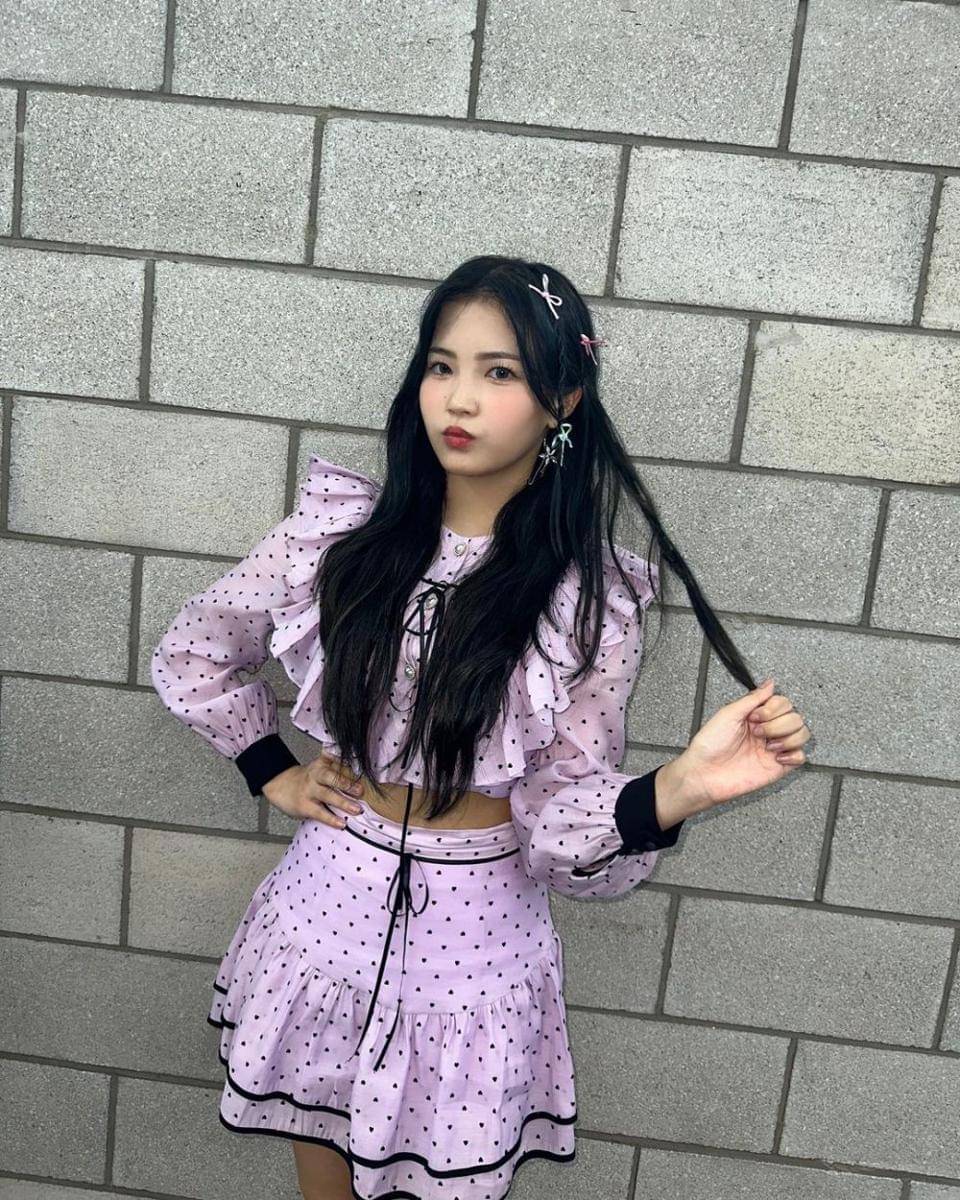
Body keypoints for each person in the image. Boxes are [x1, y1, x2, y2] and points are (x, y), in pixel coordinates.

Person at [150, 255, 811, 1200]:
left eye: (499, 372)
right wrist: (273, 771)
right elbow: (196, 651)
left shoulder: (591, 597)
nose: (459, 398)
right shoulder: (336, 537)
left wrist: (678, 790)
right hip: (322, 922)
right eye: (441, 365)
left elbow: (558, 826)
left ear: (561, 400)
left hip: (477, 959)